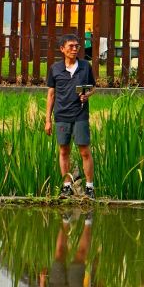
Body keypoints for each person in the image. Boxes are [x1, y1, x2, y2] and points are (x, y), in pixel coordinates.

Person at [44, 33, 96, 199]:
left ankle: (89, 187)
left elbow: (93, 87)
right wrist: (48, 120)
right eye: (71, 46)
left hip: (80, 114)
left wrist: (88, 94)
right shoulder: (55, 69)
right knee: (64, 150)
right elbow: (51, 95)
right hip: (61, 116)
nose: (74, 49)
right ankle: (66, 186)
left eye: (77, 46)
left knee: (84, 151)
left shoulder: (85, 66)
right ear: (62, 49)